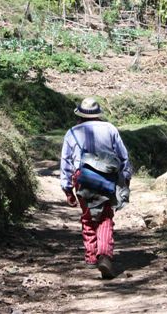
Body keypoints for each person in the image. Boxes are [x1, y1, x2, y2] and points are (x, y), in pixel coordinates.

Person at [60, 97, 132, 279]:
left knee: (87, 216)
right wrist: (126, 179)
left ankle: (92, 256)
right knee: (105, 216)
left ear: (80, 115)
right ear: (98, 114)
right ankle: (105, 255)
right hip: (106, 178)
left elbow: (66, 162)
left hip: (82, 178)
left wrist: (67, 189)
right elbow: (123, 158)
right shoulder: (110, 129)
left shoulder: (72, 133)